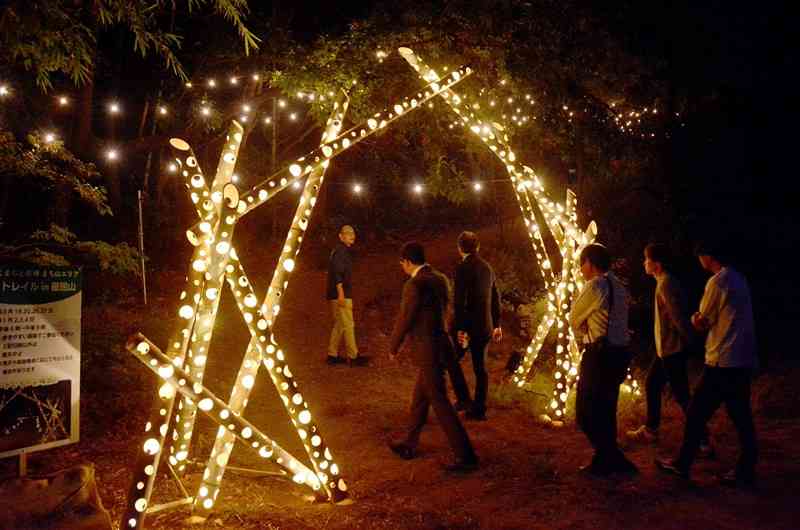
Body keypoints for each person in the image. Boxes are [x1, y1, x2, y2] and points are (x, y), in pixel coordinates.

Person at [657, 242, 758, 487]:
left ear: (707, 256)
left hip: (722, 360)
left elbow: (702, 322)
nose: (698, 261)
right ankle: (746, 468)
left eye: (700, 256)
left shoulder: (717, 282)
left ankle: (682, 465)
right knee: (741, 415)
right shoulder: (738, 279)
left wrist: (694, 319)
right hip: (741, 359)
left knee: (696, 413)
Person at [387, 241, 479, 473]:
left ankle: (465, 456)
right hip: (441, 343)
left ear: (407, 262)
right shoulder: (440, 278)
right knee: (421, 396)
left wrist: (393, 346)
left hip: (428, 348)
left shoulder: (414, 285)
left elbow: (405, 318)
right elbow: (445, 310)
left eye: (402, 264)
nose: (402, 268)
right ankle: (409, 443)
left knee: (439, 399)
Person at [627, 244, 713, 456]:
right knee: (652, 384)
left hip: (671, 350)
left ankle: (703, 441)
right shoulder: (664, 283)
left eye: (647, 259)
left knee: (682, 395)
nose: (644, 263)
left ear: (657, 264)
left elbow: (678, 318)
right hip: (664, 350)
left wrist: (691, 343)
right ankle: (651, 429)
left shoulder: (666, 284)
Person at [569, 243, 637, 476]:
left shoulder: (596, 285)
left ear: (590, 262)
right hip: (620, 354)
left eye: (582, 263)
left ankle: (612, 458)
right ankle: (607, 460)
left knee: (585, 411)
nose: (580, 268)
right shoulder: (618, 286)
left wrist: (584, 322)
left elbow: (574, 318)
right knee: (606, 410)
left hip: (599, 355)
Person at [447, 231, 502, 421]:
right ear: (477, 247)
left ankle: (463, 399)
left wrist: (461, 329)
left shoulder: (463, 268)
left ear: (460, 248)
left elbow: (459, 301)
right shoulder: (487, 268)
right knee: (481, 368)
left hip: (467, 328)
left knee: (453, 362)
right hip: (485, 327)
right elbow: (495, 297)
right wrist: (497, 324)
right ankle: (479, 409)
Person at [326, 225, 367, 367]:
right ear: (340, 236)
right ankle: (353, 357)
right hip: (341, 294)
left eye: (353, 233)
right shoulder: (340, 252)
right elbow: (337, 273)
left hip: (336, 294)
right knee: (348, 324)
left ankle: (332, 355)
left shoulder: (340, 251)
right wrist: (341, 293)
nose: (352, 235)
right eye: (348, 233)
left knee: (339, 325)